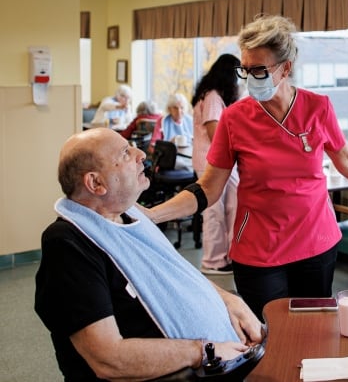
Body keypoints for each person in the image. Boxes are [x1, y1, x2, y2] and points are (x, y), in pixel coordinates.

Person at [144, 14, 348, 319]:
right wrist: (154, 215)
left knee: (313, 330)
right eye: (245, 70)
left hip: (316, 242)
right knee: (268, 333)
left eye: (259, 70)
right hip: (260, 249)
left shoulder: (318, 107)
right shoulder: (234, 118)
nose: (250, 78)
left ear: (286, 68)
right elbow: (208, 187)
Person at [34, 128, 264, 381]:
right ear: (95, 183)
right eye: (125, 153)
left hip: (231, 353)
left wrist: (227, 300)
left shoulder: (131, 216)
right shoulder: (68, 245)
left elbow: (177, 274)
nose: (141, 154)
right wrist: (202, 351)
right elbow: (107, 358)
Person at [191, 53, 241, 275]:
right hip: (211, 163)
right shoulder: (212, 97)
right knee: (214, 212)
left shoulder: (210, 95)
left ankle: (228, 256)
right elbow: (215, 133)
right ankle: (213, 261)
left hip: (212, 162)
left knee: (230, 207)